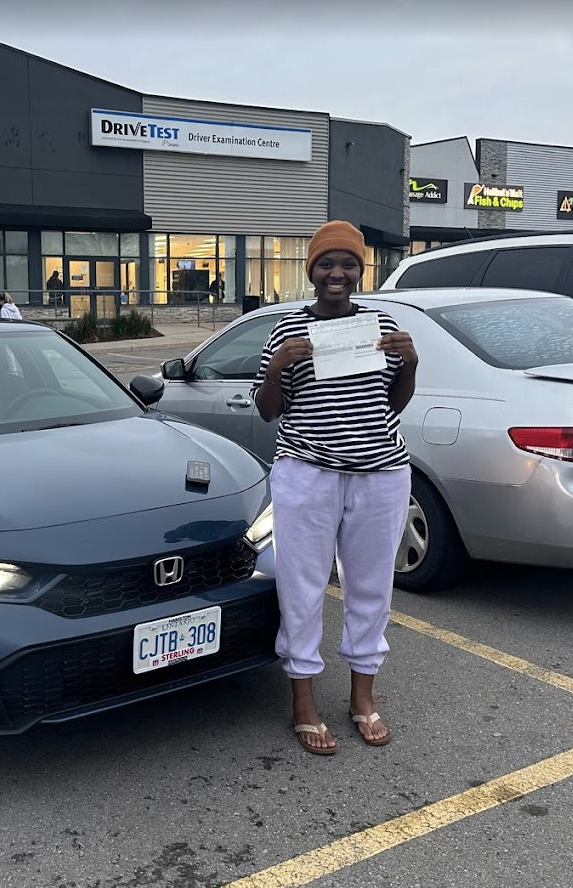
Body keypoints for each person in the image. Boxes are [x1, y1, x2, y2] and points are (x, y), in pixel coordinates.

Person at [252, 220, 419, 756]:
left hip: (381, 473)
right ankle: (303, 703)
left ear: (361, 270)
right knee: (300, 589)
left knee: (371, 588)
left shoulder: (380, 325)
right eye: (327, 263)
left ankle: (362, 699)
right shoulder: (285, 331)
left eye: (348, 263)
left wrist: (411, 361)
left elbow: (391, 404)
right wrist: (279, 366)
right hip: (307, 473)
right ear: (311, 270)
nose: (337, 273)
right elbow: (268, 411)